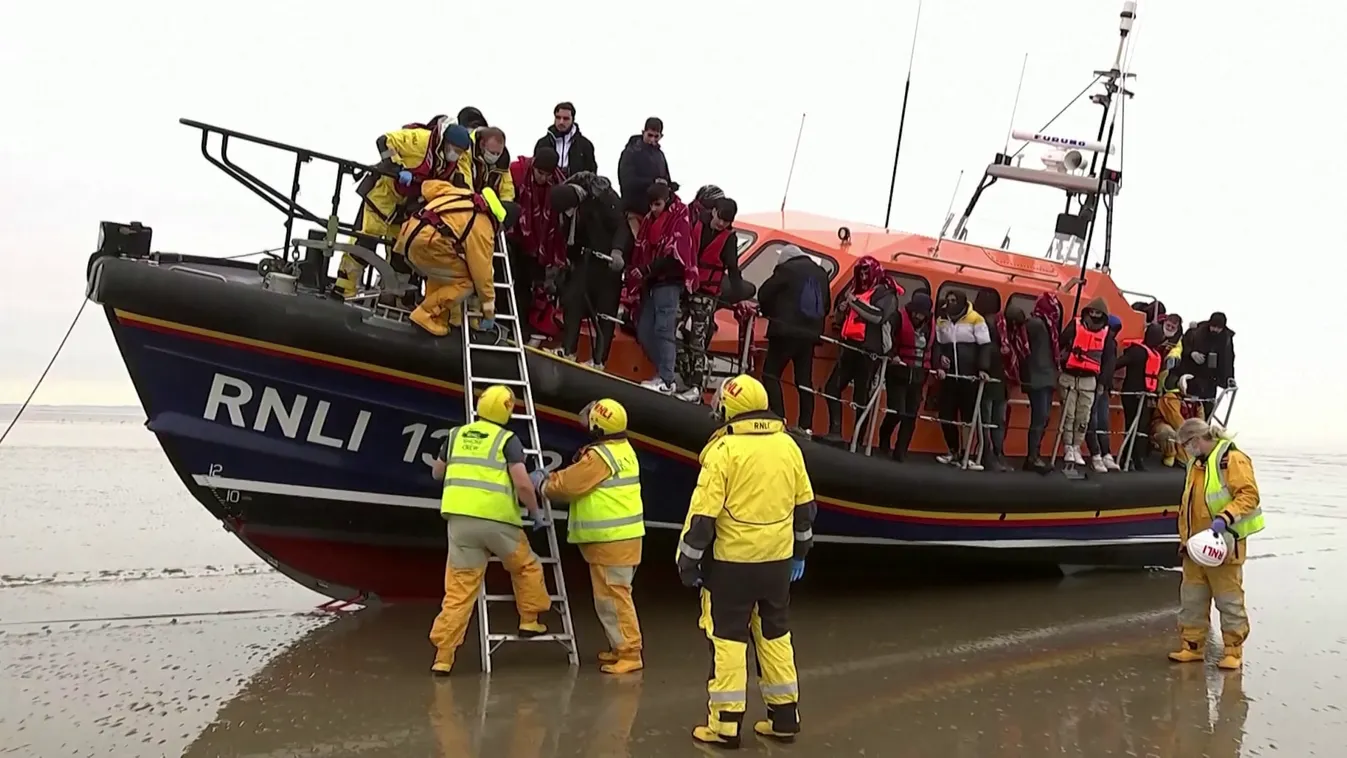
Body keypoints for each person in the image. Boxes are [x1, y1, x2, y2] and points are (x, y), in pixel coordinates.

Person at [676, 374, 815, 749]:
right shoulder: (788, 446)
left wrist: (688, 562)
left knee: (728, 641)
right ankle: (784, 718)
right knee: (775, 636)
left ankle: (725, 725)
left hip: (731, 565)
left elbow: (702, 516)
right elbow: (805, 508)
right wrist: (800, 553)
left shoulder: (724, 451)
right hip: (777, 563)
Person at [427, 384, 550, 674]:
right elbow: (522, 484)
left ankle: (443, 657)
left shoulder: (454, 435)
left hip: (460, 523)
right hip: (499, 522)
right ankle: (529, 621)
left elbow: (437, 473)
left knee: (459, 591)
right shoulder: (508, 440)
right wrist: (535, 512)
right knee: (526, 566)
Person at [537, 398, 645, 674]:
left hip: (612, 540)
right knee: (609, 598)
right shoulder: (622, 449)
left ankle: (630, 653)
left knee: (615, 599)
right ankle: (619, 646)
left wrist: (543, 483)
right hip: (619, 539)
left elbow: (570, 484)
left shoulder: (600, 457)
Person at [333, 118, 474, 298]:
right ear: (444, 141)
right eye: (453, 148)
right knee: (365, 240)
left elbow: (463, 186)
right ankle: (344, 287)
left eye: (459, 151)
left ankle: (392, 297)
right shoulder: (419, 140)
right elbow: (384, 141)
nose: (455, 154)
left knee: (402, 251)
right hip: (383, 195)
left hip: (408, 206)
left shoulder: (457, 162)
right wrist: (397, 168)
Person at [1169, 417, 1263, 670]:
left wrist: (1225, 518)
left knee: (1229, 600)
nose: (1186, 450)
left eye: (1186, 445)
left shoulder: (1232, 459)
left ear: (1197, 440)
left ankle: (1233, 650)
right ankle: (1192, 647)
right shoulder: (1196, 464)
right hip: (1194, 546)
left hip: (1224, 544)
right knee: (1192, 600)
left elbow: (1249, 495)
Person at [394, 181, 509, 337]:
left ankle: (438, 319)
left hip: (408, 235)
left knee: (444, 273)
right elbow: (482, 275)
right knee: (468, 282)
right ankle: (425, 314)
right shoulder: (483, 227)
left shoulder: (463, 194)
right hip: (428, 244)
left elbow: (428, 187)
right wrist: (488, 310)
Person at [550, 173, 632, 368]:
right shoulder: (568, 205)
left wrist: (617, 251)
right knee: (573, 300)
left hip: (608, 262)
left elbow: (622, 226)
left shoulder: (604, 196)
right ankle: (568, 350)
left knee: (605, 311)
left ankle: (599, 360)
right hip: (584, 259)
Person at [620, 183, 695, 394]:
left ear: (667, 200)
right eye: (651, 205)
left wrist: (647, 268)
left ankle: (667, 379)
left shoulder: (680, 219)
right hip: (651, 282)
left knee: (664, 329)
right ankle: (666, 372)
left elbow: (676, 256)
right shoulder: (649, 220)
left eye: (657, 205)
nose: (654, 209)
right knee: (644, 330)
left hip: (669, 282)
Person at [820, 257, 899, 446]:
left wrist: (853, 302)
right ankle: (835, 431)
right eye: (860, 273)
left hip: (870, 353)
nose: (863, 276)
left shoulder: (886, 294)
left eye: (866, 272)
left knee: (861, 397)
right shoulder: (854, 291)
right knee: (832, 388)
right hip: (849, 348)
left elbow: (878, 316)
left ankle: (858, 441)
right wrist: (842, 310)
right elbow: (841, 318)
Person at [676, 197, 744, 401]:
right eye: (720, 218)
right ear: (713, 211)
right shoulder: (694, 222)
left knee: (698, 340)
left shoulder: (729, 239)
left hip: (706, 295)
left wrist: (739, 296)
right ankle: (676, 373)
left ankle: (695, 387)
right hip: (684, 287)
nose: (722, 224)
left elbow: (733, 269)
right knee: (669, 329)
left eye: (727, 221)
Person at [757, 245, 830, 435]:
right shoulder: (821, 274)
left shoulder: (786, 269)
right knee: (804, 381)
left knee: (770, 374)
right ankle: (806, 426)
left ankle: (778, 417)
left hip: (785, 332)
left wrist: (768, 313)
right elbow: (826, 306)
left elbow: (764, 293)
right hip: (809, 337)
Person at [507, 148, 568, 343]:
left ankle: (525, 328)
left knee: (531, 287)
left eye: (547, 175)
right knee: (514, 282)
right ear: (534, 167)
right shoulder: (517, 172)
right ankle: (509, 325)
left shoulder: (558, 184)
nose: (543, 178)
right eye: (540, 173)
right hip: (515, 236)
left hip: (541, 243)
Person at [934, 289, 991, 469]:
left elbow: (985, 346)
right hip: (950, 376)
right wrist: (939, 361)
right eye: (948, 300)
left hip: (969, 377)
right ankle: (953, 451)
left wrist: (982, 369)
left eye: (953, 300)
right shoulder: (942, 320)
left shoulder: (976, 319)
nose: (949, 303)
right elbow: (937, 345)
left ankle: (967, 454)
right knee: (946, 415)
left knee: (968, 417)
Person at [876, 292, 934, 461]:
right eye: (915, 312)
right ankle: (884, 438)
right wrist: (892, 355)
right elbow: (886, 335)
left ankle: (901, 451)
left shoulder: (931, 326)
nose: (917, 316)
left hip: (918, 376)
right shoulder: (898, 317)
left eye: (921, 314)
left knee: (910, 416)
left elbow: (935, 347)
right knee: (897, 411)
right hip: (898, 373)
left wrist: (938, 365)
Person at [1056, 298, 1110, 468]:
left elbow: (1108, 360)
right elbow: (1060, 343)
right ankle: (1068, 447)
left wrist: (1102, 383)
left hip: (1089, 380)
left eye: (1097, 313)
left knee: (1083, 417)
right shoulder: (1075, 325)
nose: (1094, 315)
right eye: (1091, 311)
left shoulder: (1106, 334)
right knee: (1069, 415)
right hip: (1069, 375)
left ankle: (1076, 446)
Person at [1013, 292, 1062, 472]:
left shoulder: (1049, 326)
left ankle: (1035, 454)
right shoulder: (1035, 324)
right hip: (1037, 377)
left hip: (1046, 377)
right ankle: (1032, 457)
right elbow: (1021, 343)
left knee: (1044, 417)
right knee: (1040, 417)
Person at [1115, 323, 1165, 470]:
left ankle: (1134, 457)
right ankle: (1128, 458)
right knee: (1132, 426)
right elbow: (1119, 363)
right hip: (1132, 394)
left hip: (1145, 396)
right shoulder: (1137, 351)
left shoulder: (1152, 354)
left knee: (1140, 428)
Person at [975, 291, 1015, 472]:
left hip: (993, 378)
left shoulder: (983, 322)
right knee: (996, 420)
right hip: (996, 377)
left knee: (989, 420)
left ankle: (991, 454)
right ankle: (993, 455)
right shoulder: (998, 324)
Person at [616, 117, 671, 236]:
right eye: (649, 135)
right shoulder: (630, 152)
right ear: (643, 132)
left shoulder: (660, 155)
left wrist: (669, 186)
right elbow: (627, 182)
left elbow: (666, 178)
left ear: (661, 136)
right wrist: (653, 182)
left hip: (655, 213)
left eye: (656, 136)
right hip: (634, 211)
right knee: (639, 244)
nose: (652, 140)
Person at [1084, 314, 1124, 472]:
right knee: (1092, 421)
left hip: (1103, 386)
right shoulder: (1100, 340)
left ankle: (1105, 454)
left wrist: (1107, 384)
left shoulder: (1111, 343)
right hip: (1093, 383)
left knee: (1102, 421)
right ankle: (1096, 455)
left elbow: (1110, 365)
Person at [1179, 313, 1237, 419]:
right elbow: (1183, 345)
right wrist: (1191, 353)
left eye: (1218, 328)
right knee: (1190, 406)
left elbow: (1228, 360)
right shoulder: (1195, 331)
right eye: (1213, 326)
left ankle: (1206, 425)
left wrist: (1229, 378)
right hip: (1192, 376)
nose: (1215, 330)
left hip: (1211, 380)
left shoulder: (1226, 339)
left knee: (1208, 407)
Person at [534, 101, 597, 177]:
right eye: (558, 117)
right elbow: (534, 170)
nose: (561, 122)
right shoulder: (543, 143)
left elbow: (591, 174)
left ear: (573, 119)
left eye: (566, 119)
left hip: (575, 183)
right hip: (549, 183)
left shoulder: (585, 145)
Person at [456, 126, 516, 202]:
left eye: (498, 154)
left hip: (491, 203)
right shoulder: (467, 152)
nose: (495, 156)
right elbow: (465, 180)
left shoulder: (503, 161)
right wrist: (474, 199)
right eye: (492, 153)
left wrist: (506, 204)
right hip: (468, 199)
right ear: (482, 145)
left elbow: (507, 188)